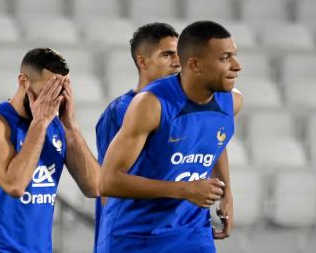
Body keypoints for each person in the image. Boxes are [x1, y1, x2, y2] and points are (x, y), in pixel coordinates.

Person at [97, 20, 243, 253]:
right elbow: (107, 182)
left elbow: (215, 140)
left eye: (233, 56)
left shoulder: (232, 102)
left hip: (193, 232)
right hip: (137, 235)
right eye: (225, 58)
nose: (237, 66)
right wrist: (185, 190)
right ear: (194, 65)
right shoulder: (150, 104)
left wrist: (227, 194)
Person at [0, 48, 100, 252]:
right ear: (23, 81)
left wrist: (71, 126)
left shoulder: (56, 125)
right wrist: (40, 122)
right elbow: (15, 185)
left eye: (60, 91)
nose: (53, 100)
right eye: (48, 90)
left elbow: (94, 187)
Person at [94, 22, 180, 251]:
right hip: (132, 236)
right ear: (143, 61)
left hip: (171, 232)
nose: (177, 62)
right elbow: (107, 185)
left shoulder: (180, 107)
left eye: (179, 54)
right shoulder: (120, 112)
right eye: (167, 55)